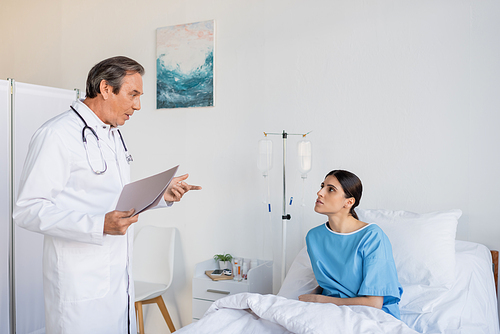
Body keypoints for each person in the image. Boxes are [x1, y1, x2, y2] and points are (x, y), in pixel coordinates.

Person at [13, 56, 201, 334]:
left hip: (116, 277)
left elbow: (116, 200)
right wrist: (98, 224)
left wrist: (163, 196)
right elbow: (27, 210)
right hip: (79, 282)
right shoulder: (56, 134)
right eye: (133, 94)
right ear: (105, 89)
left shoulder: (112, 134)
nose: (137, 105)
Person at [299, 170, 402, 319]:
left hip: (373, 316)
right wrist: (307, 300)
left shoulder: (372, 237)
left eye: (331, 189)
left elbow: (374, 303)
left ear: (349, 202)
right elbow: (331, 282)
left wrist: (321, 300)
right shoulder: (314, 237)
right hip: (330, 312)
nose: (319, 193)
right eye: (322, 186)